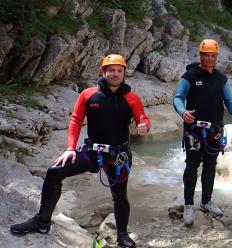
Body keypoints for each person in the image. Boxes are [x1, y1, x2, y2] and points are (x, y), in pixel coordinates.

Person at [9, 54, 151, 248]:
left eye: (119, 71)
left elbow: (143, 118)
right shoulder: (88, 94)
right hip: (92, 152)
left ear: (124, 73)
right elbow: (76, 120)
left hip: (118, 155)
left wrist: (144, 125)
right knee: (54, 171)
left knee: (120, 195)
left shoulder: (131, 98)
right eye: (111, 70)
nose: (115, 74)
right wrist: (70, 148)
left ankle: (122, 234)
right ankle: (42, 222)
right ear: (103, 72)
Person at [174, 39, 232, 226]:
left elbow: (229, 101)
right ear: (200, 55)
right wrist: (183, 112)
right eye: (206, 54)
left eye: (212, 55)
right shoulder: (189, 76)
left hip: (214, 130)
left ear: (216, 57)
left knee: (210, 165)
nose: (209, 58)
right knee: (192, 165)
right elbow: (178, 97)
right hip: (194, 130)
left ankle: (206, 201)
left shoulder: (220, 79)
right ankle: (189, 205)